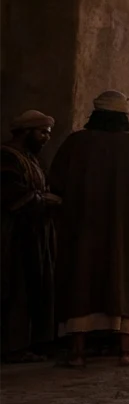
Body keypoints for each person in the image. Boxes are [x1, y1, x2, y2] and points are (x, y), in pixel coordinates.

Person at [48, 90, 129, 367]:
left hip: (82, 228)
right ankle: (125, 352)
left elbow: (56, 181)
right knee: (123, 277)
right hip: (125, 230)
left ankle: (77, 353)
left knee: (81, 278)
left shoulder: (76, 143)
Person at [1, 110, 59, 363]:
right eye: (42, 132)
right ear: (26, 132)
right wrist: (43, 200)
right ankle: (13, 346)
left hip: (35, 233)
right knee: (15, 288)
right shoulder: (7, 157)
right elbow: (11, 195)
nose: (46, 138)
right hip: (13, 235)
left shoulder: (31, 159)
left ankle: (33, 342)